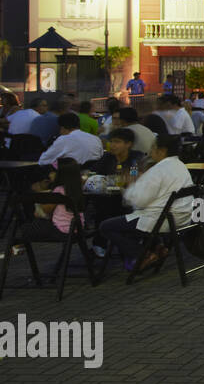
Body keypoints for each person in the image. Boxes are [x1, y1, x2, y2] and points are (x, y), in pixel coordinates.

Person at [98, 133, 194, 272]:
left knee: (106, 226)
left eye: (153, 148)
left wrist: (130, 187)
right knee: (127, 220)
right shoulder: (179, 165)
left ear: (161, 150)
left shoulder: (144, 163)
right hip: (180, 217)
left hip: (163, 219)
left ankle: (143, 254)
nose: (113, 145)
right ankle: (156, 246)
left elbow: (139, 201)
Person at [17, 158, 86, 244]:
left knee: (26, 228)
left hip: (61, 230)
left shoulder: (59, 190)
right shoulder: (79, 187)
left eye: (53, 172)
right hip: (77, 228)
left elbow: (46, 210)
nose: (50, 174)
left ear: (60, 174)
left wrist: (39, 193)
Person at [39, 112, 104, 166]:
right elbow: (101, 157)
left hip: (71, 176)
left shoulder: (64, 139)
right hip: (92, 175)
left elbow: (43, 160)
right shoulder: (96, 139)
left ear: (62, 128)